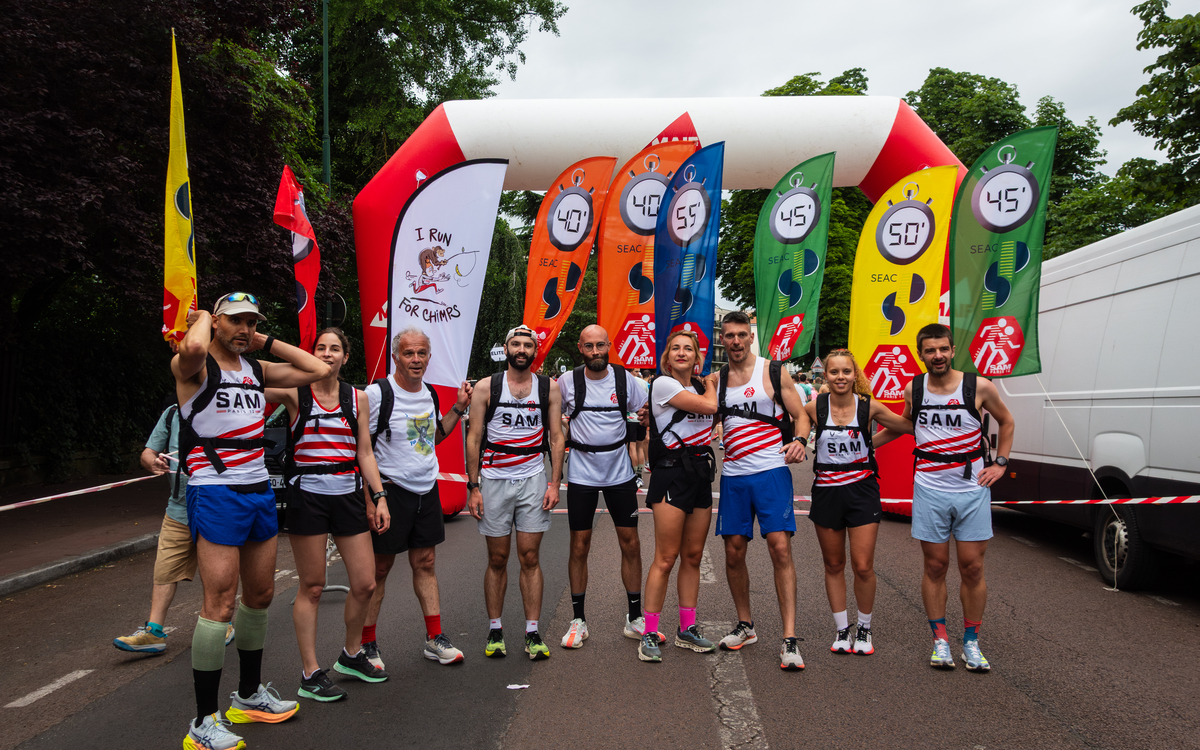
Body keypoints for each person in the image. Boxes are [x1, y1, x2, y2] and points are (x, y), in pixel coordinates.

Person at [172, 293, 330, 750]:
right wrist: (202, 319)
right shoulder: (193, 367)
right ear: (216, 323)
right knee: (219, 605)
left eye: (251, 322)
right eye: (236, 321)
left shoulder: (256, 370)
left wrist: (267, 339)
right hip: (216, 492)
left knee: (259, 596)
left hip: (258, 489)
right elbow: (195, 349)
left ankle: (248, 696)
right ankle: (203, 721)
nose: (244, 328)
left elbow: (318, 371)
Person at [265, 328, 391, 702]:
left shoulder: (358, 397)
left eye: (335, 348)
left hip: (348, 494)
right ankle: (309, 672)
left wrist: (379, 496)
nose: (328, 353)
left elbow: (365, 452)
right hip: (308, 496)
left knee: (366, 583)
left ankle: (352, 655)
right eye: (320, 348)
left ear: (345, 356)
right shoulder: (294, 391)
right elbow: (252, 377)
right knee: (314, 586)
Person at [890, 323, 1014, 672]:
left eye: (943, 348)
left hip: (972, 488)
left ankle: (971, 642)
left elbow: (1006, 422)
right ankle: (940, 640)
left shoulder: (978, 386)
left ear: (952, 349)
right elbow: (905, 425)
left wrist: (1001, 463)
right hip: (929, 486)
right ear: (921, 354)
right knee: (935, 565)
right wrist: (862, 444)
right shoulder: (914, 388)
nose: (937, 355)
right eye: (930, 350)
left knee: (972, 567)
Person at [361, 326, 472, 670]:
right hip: (390, 491)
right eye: (408, 353)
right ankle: (365, 644)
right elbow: (361, 450)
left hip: (426, 490)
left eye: (421, 353)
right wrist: (372, 499)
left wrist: (457, 408)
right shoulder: (377, 393)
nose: (415, 359)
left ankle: (434, 638)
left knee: (425, 563)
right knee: (379, 569)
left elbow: (431, 438)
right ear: (395, 356)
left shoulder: (429, 394)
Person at [712, 311, 812, 670]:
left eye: (741, 334)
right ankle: (746, 625)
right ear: (722, 339)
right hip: (734, 476)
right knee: (734, 552)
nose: (736, 341)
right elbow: (699, 413)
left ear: (751, 338)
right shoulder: (716, 380)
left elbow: (801, 415)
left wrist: (800, 439)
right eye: (729, 335)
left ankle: (789, 639)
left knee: (780, 548)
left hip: (770, 471)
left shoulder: (772, 371)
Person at [803, 349, 912, 657]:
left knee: (863, 566)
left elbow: (906, 426)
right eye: (834, 372)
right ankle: (841, 630)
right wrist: (798, 440)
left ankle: (864, 628)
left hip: (862, 491)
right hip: (826, 491)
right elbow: (797, 429)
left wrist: (871, 444)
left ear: (855, 375)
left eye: (846, 372)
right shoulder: (814, 408)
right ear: (825, 376)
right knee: (834, 564)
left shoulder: (869, 407)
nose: (840, 377)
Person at [465, 325, 564, 661]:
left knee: (530, 557)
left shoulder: (547, 387)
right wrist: (473, 486)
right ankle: (495, 630)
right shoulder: (486, 387)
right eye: (516, 344)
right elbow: (474, 438)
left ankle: (532, 632)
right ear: (506, 348)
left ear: (535, 351)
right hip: (493, 480)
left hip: (533, 479)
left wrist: (555, 483)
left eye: (528, 345)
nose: (522, 349)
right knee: (497, 558)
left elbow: (556, 437)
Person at [113, 394, 234, 654]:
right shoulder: (171, 413)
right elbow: (148, 453)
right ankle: (154, 632)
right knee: (165, 570)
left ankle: (221, 622)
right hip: (178, 507)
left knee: (215, 571)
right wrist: (152, 462)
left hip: (215, 505)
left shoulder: (226, 408)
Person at [558, 325, 649, 648]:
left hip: (619, 473)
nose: (595, 352)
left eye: (600, 345)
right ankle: (578, 619)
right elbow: (554, 424)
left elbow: (651, 410)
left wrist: (647, 418)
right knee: (579, 546)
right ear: (580, 348)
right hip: (582, 474)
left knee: (631, 543)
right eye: (589, 347)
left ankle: (634, 617)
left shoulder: (628, 381)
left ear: (609, 346)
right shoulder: (567, 382)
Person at [637, 330, 719, 662]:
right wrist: (712, 382)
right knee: (666, 558)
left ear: (697, 356)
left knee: (694, 556)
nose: (682, 353)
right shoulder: (664, 384)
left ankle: (687, 629)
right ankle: (649, 632)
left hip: (700, 472)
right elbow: (712, 406)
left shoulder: (698, 386)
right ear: (667, 356)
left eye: (689, 349)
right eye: (676, 349)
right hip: (672, 472)